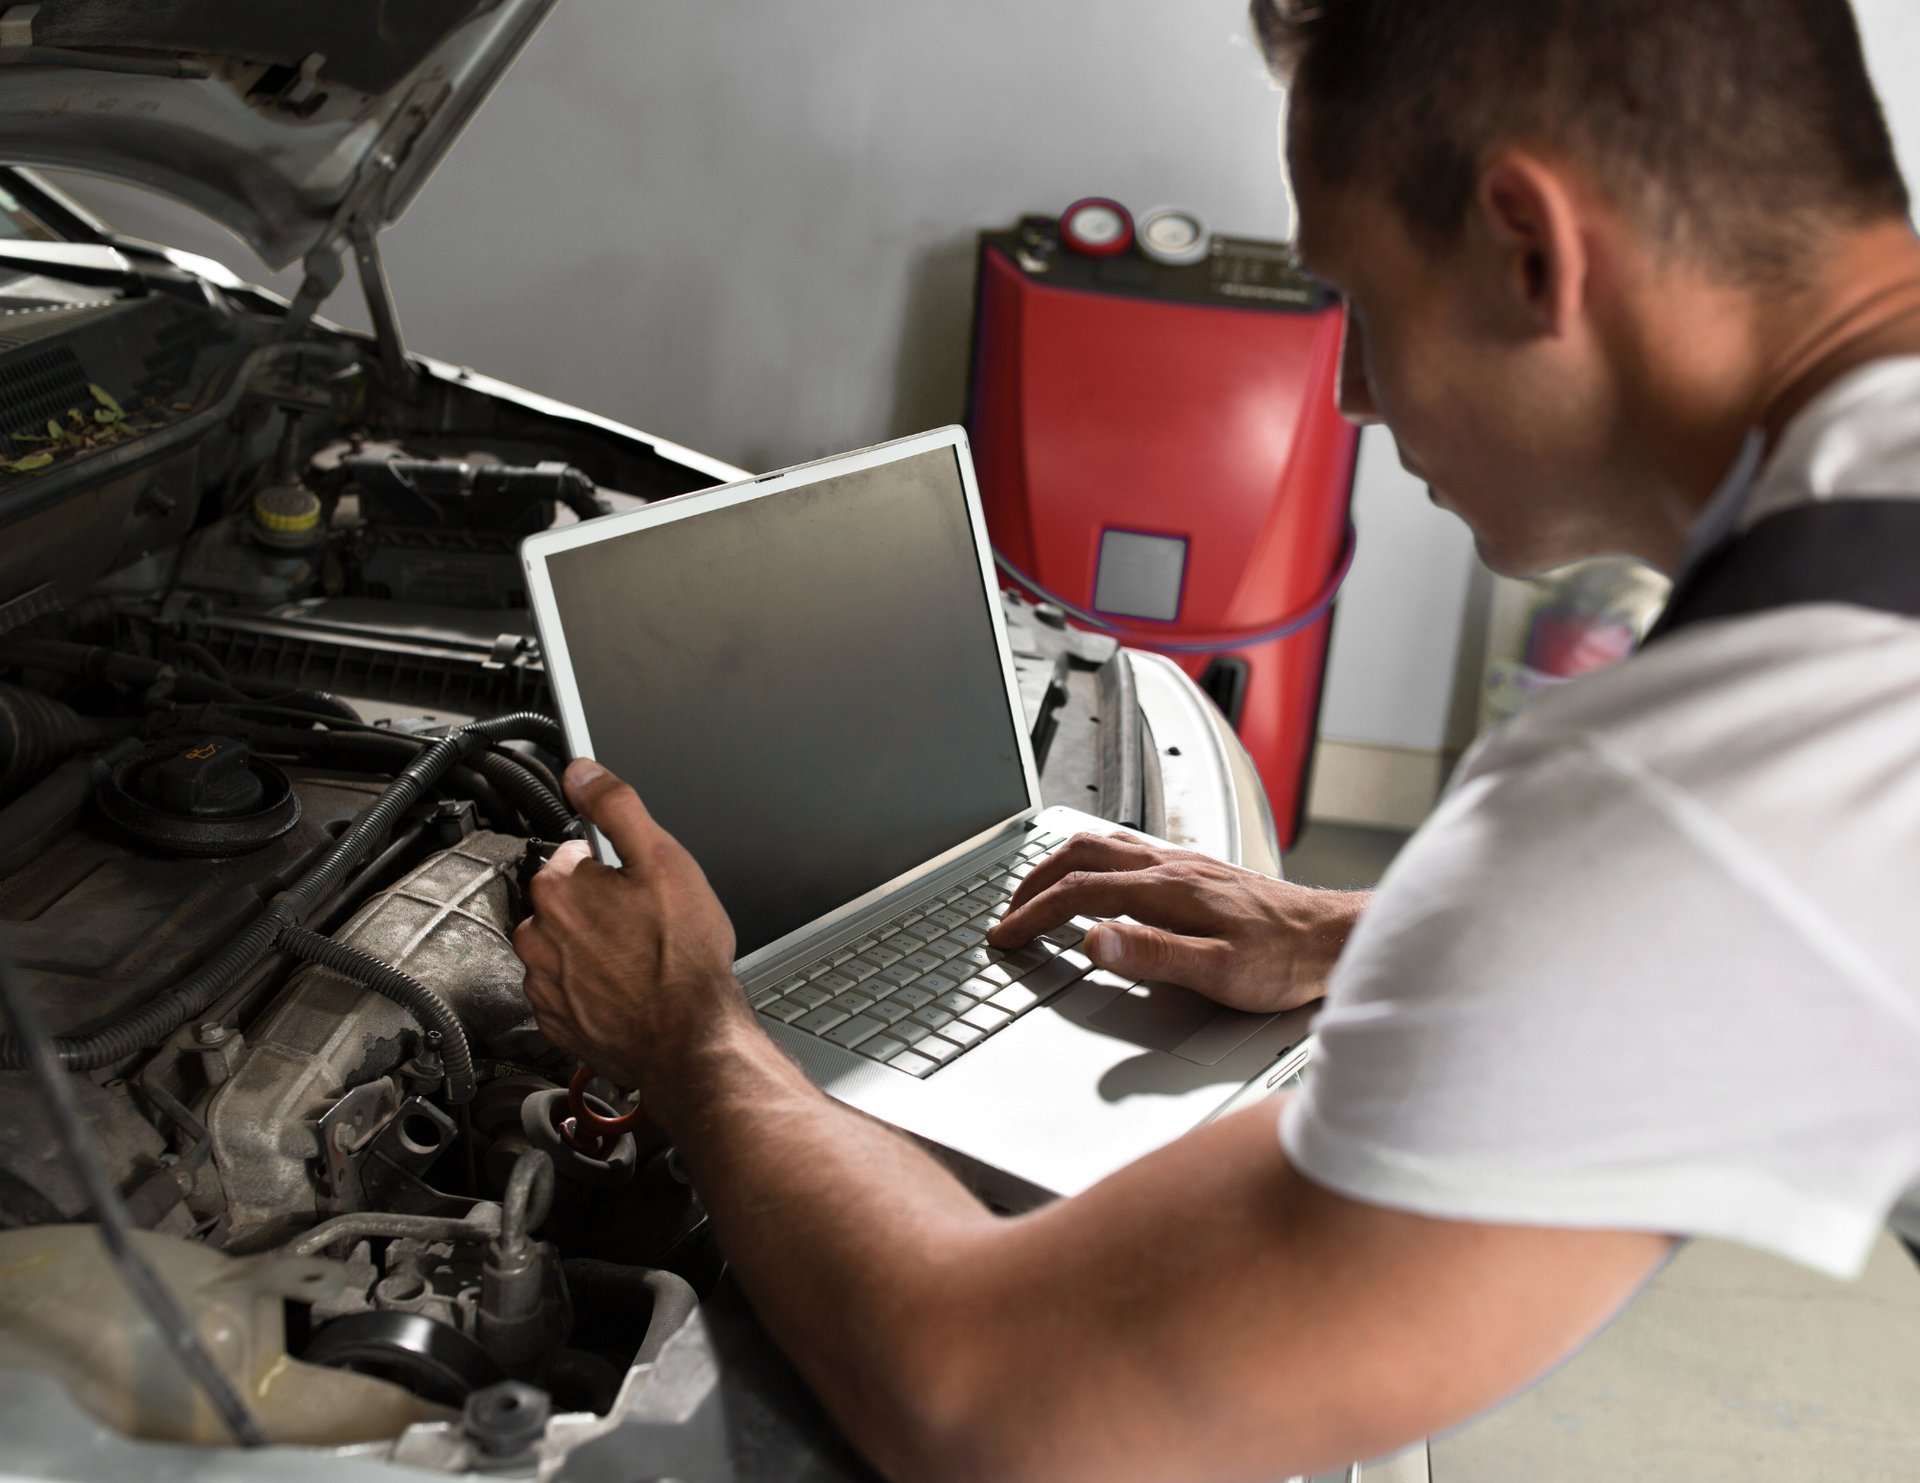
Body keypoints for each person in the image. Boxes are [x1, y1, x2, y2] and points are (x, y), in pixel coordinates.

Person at [512, 1, 1920, 1476]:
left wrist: (694, 1032)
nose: (1353, 395)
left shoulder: (1738, 764)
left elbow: (1003, 1399)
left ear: (1529, 247)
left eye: (1359, 305)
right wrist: (1360, 935)